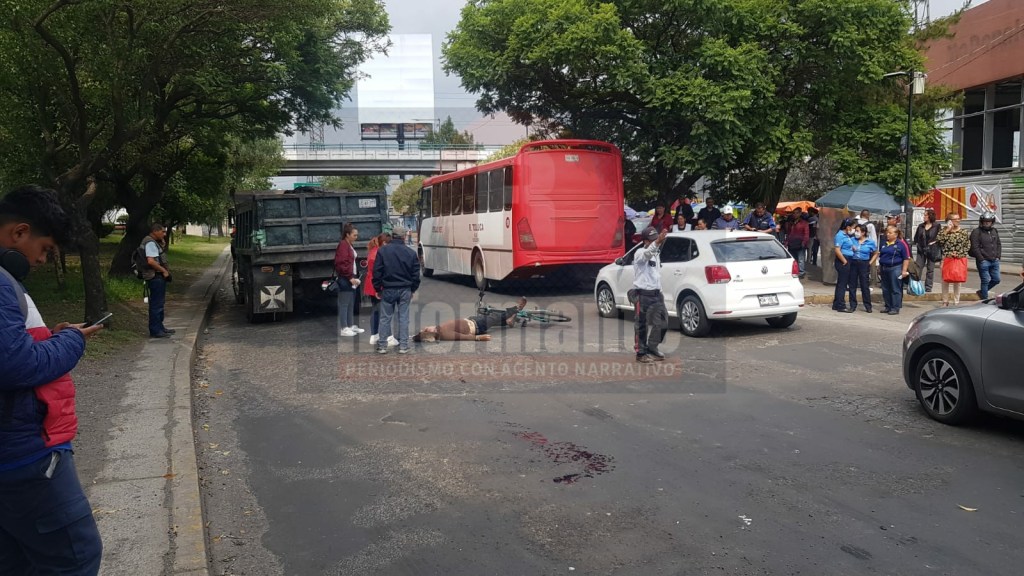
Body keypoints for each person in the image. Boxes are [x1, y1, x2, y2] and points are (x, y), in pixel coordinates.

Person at [0, 185, 104, 575]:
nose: (42, 260)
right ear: (19, 232)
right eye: (44, 249)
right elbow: (13, 365)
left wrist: (47, 337)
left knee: (19, 562)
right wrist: (72, 340)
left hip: (14, 454)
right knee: (75, 557)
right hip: (26, 456)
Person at [372, 225, 419, 353]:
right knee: (403, 317)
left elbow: (377, 271)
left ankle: (382, 346)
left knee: (385, 318)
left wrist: (377, 288)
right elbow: (415, 274)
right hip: (405, 289)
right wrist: (413, 289)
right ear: (404, 237)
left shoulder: (382, 251)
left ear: (392, 236)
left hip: (388, 288)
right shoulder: (411, 253)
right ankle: (403, 346)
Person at [415, 297, 527, 342]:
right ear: (432, 334)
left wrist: (420, 334)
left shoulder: (439, 329)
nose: (427, 327)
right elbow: (463, 337)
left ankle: (508, 321)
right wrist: (478, 338)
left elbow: (423, 332)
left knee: (493, 318)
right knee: (496, 316)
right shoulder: (445, 334)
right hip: (477, 326)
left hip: (472, 320)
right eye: (427, 330)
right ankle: (517, 308)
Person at [632, 226, 669, 362]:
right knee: (641, 325)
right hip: (643, 295)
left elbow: (656, 275)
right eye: (652, 240)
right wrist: (657, 242)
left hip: (656, 294)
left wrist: (660, 292)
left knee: (663, 323)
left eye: (656, 239)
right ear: (645, 241)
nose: (655, 242)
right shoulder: (640, 253)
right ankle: (641, 353)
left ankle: (652, 347)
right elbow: (648, 254)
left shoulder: (656, 255)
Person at [140, 223, 175, 338]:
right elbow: (151, 261)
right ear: (155, 231)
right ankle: (156, 330)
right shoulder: (150, 243)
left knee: (159, 303)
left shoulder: (153, 242)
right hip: (155, 277)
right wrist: (164, 271)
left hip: (156, 276)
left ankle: (160, 327)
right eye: (162, 232)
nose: (164, 234)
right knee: (156, 304)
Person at [364, 233, 398, 347]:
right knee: (385, 312)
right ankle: (388, 337)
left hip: (371, 285)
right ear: (384, 243)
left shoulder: (373, 251)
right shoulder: (379, 254)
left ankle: (374, 335)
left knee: (376, 310)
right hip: (377, 285)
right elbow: (379, 273)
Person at [333, 223, 363, 337]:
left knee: (351, 302)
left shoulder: (348, 245)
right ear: (347, 234)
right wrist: (350, 277)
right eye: (354, 235)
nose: (356, 237)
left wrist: (353, 277)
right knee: (344, 303)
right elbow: (341, 264)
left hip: (350, 277)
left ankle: (350, 325)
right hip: (345, 278)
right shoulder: (343, 245)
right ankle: (344, 328)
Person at [937, 212, 970, 306]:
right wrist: (948, 230)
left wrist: (959, 254)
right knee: (945, 280)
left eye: (959, 219)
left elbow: (967, 245)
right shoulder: (944, 231)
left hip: (959, 258)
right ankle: (945, 301)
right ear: (949, 221)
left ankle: (956, 301)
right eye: (955, 219)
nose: (958, 221)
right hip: (947, 258)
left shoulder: (963, 232)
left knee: (957, 280)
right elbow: (939, 241)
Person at [878, 224, 911, 315]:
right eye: (887, 233)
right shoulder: (884, 244)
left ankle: (895, 307)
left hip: (895, 268)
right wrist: (879, 267)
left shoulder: (900, 244)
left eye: (890, 233)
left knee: (895, 288)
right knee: (885, 289)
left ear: (895, 235)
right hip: (884, 268)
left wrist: (904, 271)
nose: (888, 234)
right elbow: (881, 256)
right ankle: (888, 306)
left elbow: (906, 258)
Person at [969, 212, 1001, 300]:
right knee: (985, 280)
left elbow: (998, 244)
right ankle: (984, 299)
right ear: (981, 222)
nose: (987, 223)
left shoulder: (994, 231)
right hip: (983, 261)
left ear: (992, 222)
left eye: (989, 221)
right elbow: (975, 247)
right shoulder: (976, 232)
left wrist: (998, 256)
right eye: (985, 221)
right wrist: (981, 259)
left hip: (994, 260)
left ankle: (982, 292)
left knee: (996, 279)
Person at [849, 223, 877, 312]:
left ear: (863, 232)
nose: (856, 233)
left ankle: (868, 305)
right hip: (853, 262)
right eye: (855, 231)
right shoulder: (852, 240)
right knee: (852, 284)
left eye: (858, 231)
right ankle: (852, 305)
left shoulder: (870, 242)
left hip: (864, 263)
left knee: (864, 285)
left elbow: (876, 253)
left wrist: (870, 262)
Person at [832, 218, 857, 313]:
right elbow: (837, 250)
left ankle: (836, 303)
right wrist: (844, 261)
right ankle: (840, 305)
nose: (853, 229)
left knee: (841, 283)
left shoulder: (846, 236)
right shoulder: (840, 235)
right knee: (842, 284)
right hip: (843, 260)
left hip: (848, 258)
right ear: (848, 227)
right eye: (853, 227)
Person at [913, 208, 940, 293]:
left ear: (930, 216)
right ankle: (916, 284)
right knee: (918, 267)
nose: (924, 217)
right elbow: (916, 238)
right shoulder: (921, 226)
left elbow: (940, 237)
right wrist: (917, 244)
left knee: (930, 269)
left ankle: (928, 286)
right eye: (924, 215)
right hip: (921, 250)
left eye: (925, 215)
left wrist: (934, 242)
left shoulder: (937, 226)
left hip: (932, 250)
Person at [786, 208, 810, 278]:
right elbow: (789, 233)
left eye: (796, 213)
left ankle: (801, 272)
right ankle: (795, 271)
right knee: (794, 259)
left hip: (800, 243)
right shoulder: (791, 223)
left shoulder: (804, 223)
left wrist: (804, 242)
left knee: (800, 259)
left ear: (800, 213)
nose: (795, 214)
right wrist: (786, 242)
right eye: (794, 213)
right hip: (792, 243)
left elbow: (806, 234)